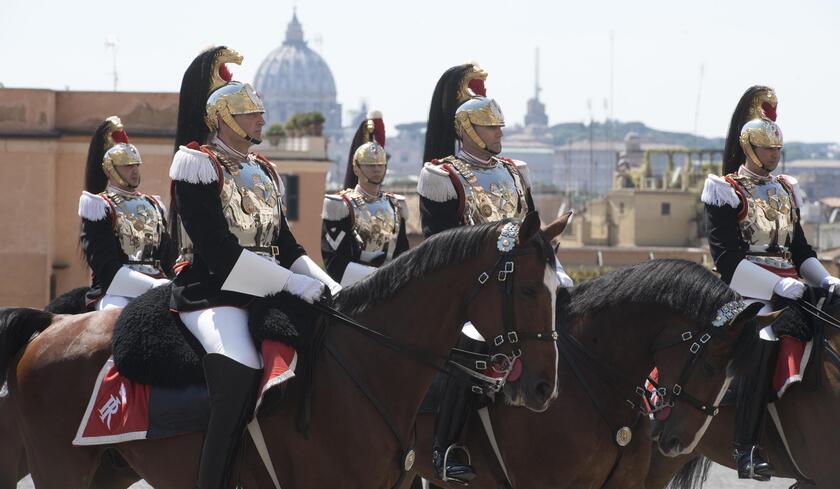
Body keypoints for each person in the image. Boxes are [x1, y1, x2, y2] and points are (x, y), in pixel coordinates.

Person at [168, 46, 341, 488]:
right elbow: (220, 256)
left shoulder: (263, 170)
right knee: (240, 366)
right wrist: (290, 284)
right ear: (222, 116)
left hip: (265, 287)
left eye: (260, 111)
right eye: (250, 112)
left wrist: (327, 284)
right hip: (212, 291)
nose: (261, 119)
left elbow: (286, 243)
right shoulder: (197, 165)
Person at [417, 63, 572, 484]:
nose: (499, 132)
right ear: (466, 128)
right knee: (470, 347)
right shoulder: (442, 176)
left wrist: (555, 273)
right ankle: (448, 447)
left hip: (519, 285)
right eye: (490, 126)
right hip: (468, 293)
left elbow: (532, 234)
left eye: (499, 125)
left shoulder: (514, 171)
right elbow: (441, 245)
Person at [702, 86, 840, 481]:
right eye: (768, 150)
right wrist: (778, 287)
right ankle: (746, 446)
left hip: (794, 287)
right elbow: (726, 261)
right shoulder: (726, 190)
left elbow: (800, 248)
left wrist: (825, 278)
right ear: (749, 148)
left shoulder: (784, 190)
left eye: (778, 151)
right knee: (764, 340)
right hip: (747, 291)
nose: (774, 157)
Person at [79, 116, 173, 310]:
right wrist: (152, 285)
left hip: (160, 283)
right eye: (127, 166)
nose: (135, 171)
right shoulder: (98, 206)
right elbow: (105, 267)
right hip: (116, 291)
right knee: (115, 320)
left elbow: (167, 253)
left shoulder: (153, 204)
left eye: (136, 165)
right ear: (109, 169)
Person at [321, 111, 409, 285]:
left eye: (380, 165)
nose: (376, 170)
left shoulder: (396, 205)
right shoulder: (340, 206)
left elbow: (402, 253)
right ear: (356, 169)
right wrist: (380, 279)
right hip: (354, 289)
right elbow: (335, 262)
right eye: (370, 165)